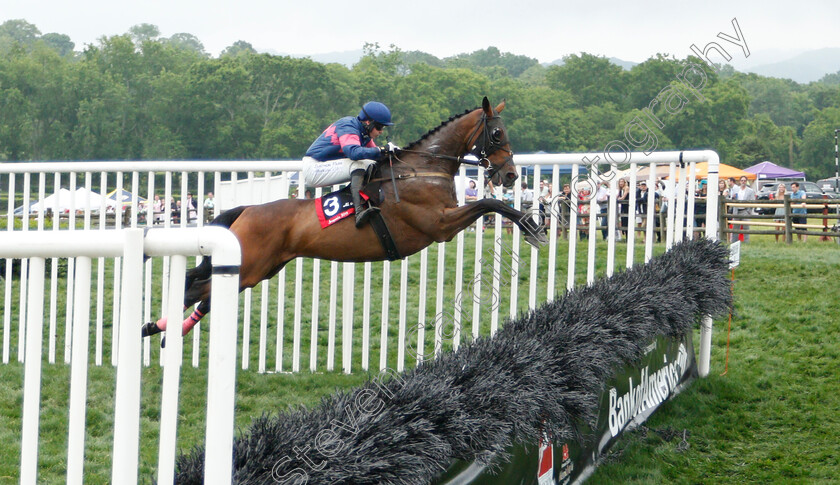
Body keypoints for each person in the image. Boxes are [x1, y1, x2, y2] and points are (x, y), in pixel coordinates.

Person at [302, 101, 397, 227]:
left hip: (324, 166)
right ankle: (359, 212)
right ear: (369, 122)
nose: (381, 132)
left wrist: (395, 153)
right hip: (314, 168)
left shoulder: (364, 135)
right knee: (359, 164)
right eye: (379, 127)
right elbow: (353, 152)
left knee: (370, 164)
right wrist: (382, 149)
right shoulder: (348, 125)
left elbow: (376, 158)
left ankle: (368, 201)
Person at [731, 176, 755, 243]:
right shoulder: (736, 189)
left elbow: (753, 201)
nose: (743, 182)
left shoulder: (750, 190)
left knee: (746, 227)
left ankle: (746, 242)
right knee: (735, 228)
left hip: (745, 210)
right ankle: (734, 242)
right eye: (742, 180)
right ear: (739, 181)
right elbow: (732, 199)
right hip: (737, 210)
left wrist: (748, 211)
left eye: (744, 180)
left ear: (746, 181)